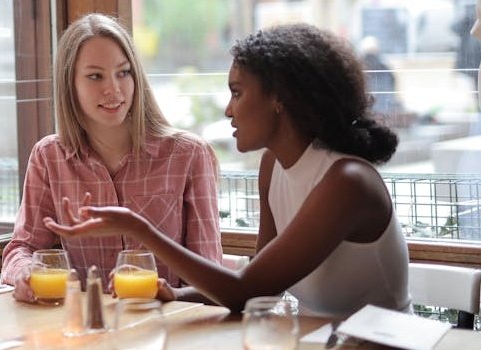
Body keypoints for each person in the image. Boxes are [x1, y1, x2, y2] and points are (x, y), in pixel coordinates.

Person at [45, 23, 412, 319]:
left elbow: (245, 292)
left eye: (237, 92)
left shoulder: (346, 183)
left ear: (279, 98)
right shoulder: (275, 166)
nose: (228, 110)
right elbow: (260, 285)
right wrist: (176, 295)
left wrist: (136, 227)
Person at [2, 13, 223, 303]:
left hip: (165, 328)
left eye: (123, 72)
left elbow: (212, 277)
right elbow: (22, 248)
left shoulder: (188, 155)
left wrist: (170, 294)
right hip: (82, 330)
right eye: (95, 76)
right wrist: (27, 273)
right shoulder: (49, 157)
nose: (114, 89)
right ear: (70, 84)